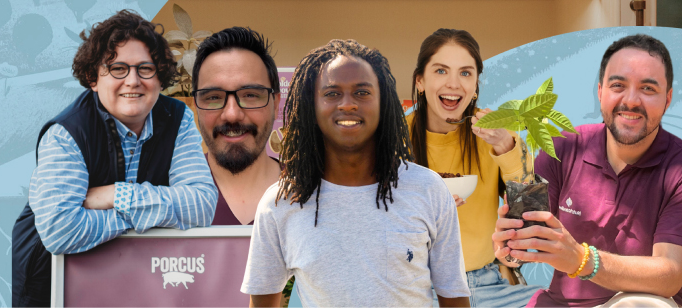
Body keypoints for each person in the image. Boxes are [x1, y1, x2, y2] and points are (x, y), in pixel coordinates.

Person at [241, 39, 471, 307]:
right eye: (331, 93)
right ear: (311, 106)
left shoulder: (428, 189)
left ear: (383, 103)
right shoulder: (280, 203)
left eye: (362, 93)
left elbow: (454, 299)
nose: (347, 104)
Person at [11, 10, 217, 307]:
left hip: (132, 282)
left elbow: (201, 206)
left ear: (160, 77)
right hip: (54, 287)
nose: (133, 81)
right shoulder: (66, 133)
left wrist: (114, 196)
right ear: (93, 78)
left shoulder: (178, 117)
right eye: (118, 68)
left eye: (145, 68)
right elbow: (61, 230)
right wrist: (149, 214)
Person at [493, 34, 682, 308]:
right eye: (618, 85)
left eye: (648, 89)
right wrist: (508, 250)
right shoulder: (563, 147)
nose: (631, 100)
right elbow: (521, 248)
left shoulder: (677, 168)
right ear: (600, 92)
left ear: (667, 99)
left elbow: (670, 275)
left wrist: (582, 260)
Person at [409, 29, 542, 307]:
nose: (454, 84)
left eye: (466, 73)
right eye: (441, 71)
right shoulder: (393, 138)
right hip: (417, 289)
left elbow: (533, 216)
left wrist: (507, 147)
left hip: (488, 285)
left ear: (476, 83)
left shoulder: (492, 134)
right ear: (420, 81)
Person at [192, 27, 282, 225]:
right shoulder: (168, 194)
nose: (232, 114)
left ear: (275, 105)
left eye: (250, 95)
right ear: (195, 107)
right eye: (213, 97)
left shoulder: (313, 195)